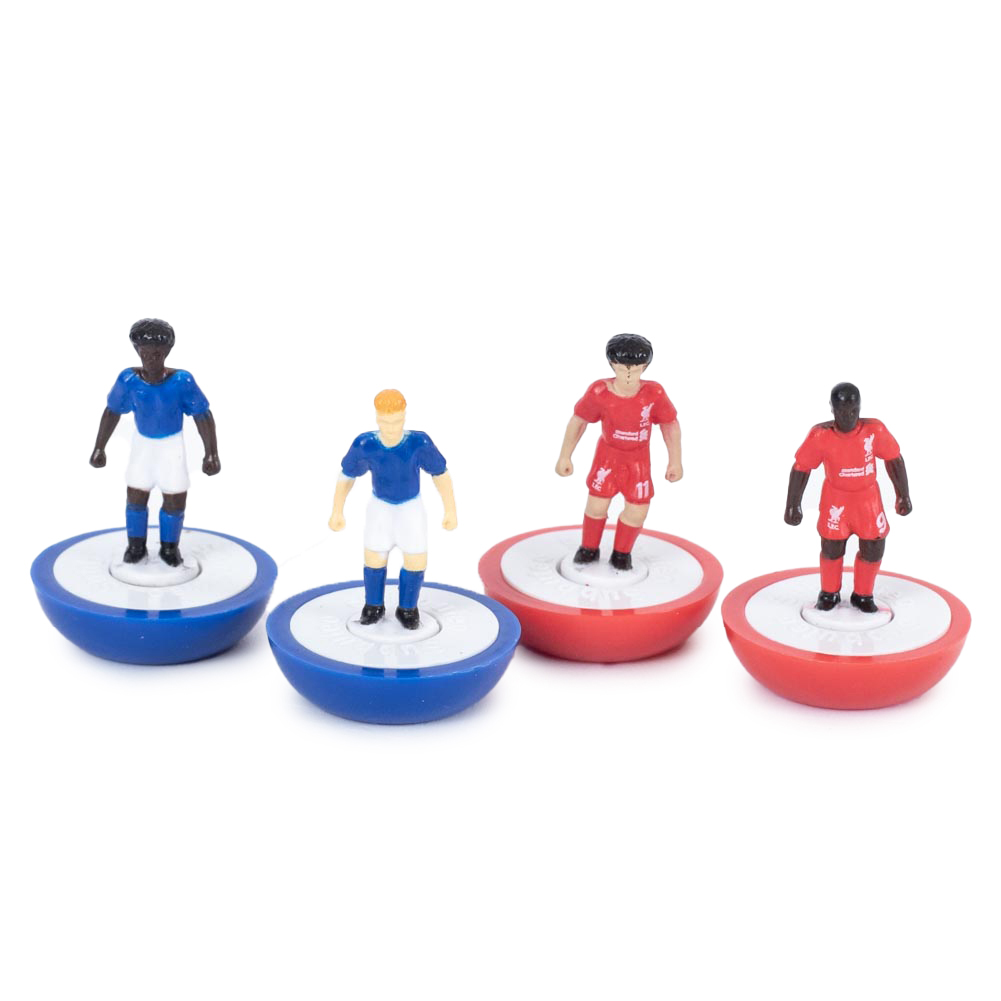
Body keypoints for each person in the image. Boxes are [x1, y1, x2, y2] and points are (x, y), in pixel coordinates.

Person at [90, 318, 220, 567]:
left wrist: (211, 453)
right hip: (143, 446)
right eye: (145, 353)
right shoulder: (128, 380)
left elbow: (203, 416)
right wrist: (99, 447)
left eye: (157, 354)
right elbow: (112, 411)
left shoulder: (182, 382)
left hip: (172, 448)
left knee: (175, 498)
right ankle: (136, 546)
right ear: (137, 351)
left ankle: (169, 548)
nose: (150, 359)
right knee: (136, 495)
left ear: (167, 352)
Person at [329, 389, 457, 630]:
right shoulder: (365, 444)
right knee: (374, 556)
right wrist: (337, 510)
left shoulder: (419, 443)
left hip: (410, 507)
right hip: (381, 508)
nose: (390, 428)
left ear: (404, 416)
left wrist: (450, 510)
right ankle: (373, 605)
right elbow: (347, 475)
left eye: (396, 421)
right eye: (385, 422)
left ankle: (408, 607)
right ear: (377, 418)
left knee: (416, 558)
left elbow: (440, 473)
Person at [555, 334, 682, 571]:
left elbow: (670, 425)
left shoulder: (654, 394)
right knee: (597, 505)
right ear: (612, 365)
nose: (629, 374)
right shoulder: (599, 392)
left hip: (638, 461)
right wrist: (565, 455)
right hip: (608, 457)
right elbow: (579, 420)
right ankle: (588, 548)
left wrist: (675, 461)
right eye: (623, 368)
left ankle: (622, 553)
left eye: (636, 368)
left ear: (645, 367)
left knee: (638, 510)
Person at [785, 382, 912, 612]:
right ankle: (829, 592)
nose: (848, 417)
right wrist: (793, 505)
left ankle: (863, 595)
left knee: (874, 547)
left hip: (867, 500)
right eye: (842, 411)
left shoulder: (875, 431)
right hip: (836, 499)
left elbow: (894, 458)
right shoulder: (820, 436)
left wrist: (903, 495)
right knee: (832, 546)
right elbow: (801, 468)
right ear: (832, 409)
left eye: (854, 411)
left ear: (860, 408)